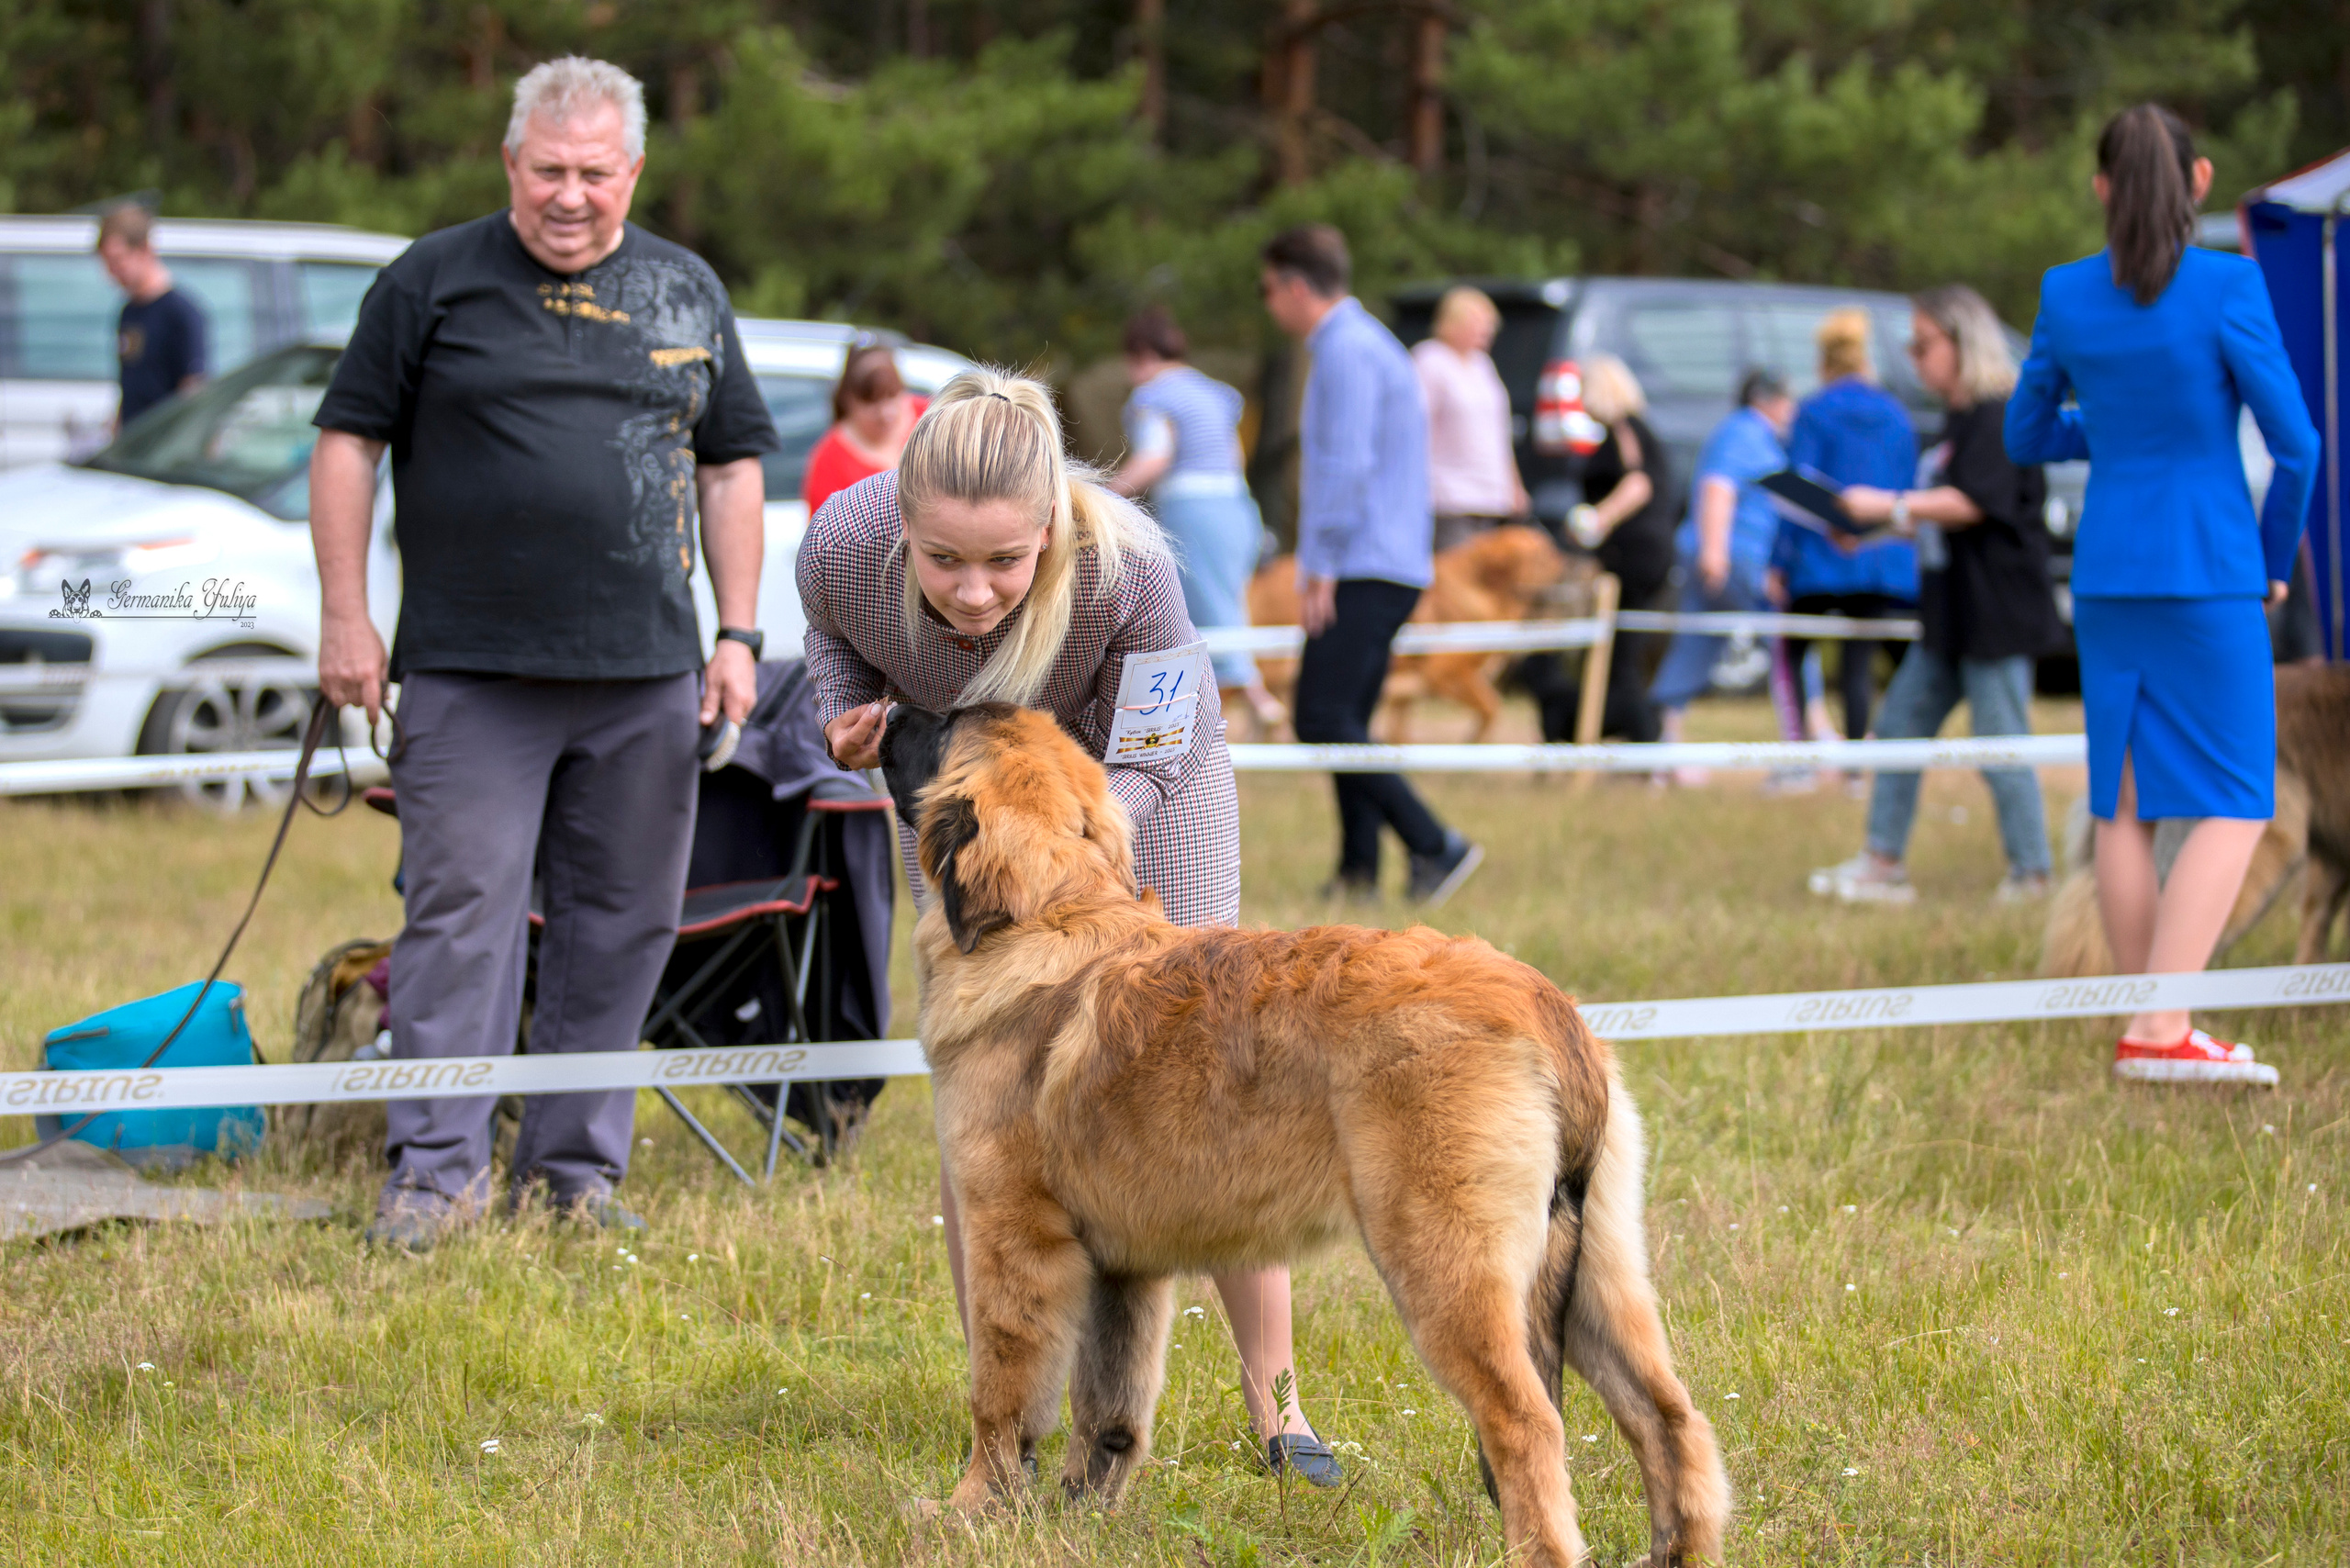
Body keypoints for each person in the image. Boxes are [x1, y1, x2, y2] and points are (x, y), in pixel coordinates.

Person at [801, 368, 1348, 1488]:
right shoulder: (837, 545)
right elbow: (835, 652)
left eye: (1005, 560)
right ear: (896, 520)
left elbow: (1154, 743)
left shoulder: (1129, 566)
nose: (972, 591)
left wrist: (1088, 859)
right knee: (990, 1119)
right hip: (981, 815)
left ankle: (1279, 1411)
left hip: (1138, 795)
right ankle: (1002, 1408)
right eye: (942, 559)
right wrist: (842, 723)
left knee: (1207, 1093)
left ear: (1050, 520)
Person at [309, 56, 778, 1246]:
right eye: (550, 171)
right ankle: (435, 1176)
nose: (571, 196)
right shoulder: (431, 279)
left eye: (596, 174)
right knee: (459, 919)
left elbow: (730, 467)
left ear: (632, 171)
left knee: (619, 925)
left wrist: (737, 634)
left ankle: (573, 1177)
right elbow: (348, 444)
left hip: (648, 675)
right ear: (511, 163)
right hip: (472, 673)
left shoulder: (687, 287)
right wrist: (345, 615)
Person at [2007, 103, 2320, 1081]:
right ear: (2197, 181)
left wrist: (2110, 429)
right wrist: (2272, 559)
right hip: (2210, 571)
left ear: (2102, 189)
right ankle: (2161, 1025)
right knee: (2236, 799)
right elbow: (2297, 447)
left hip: (2108, 575)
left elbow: (2027, 436)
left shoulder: (2065, 294)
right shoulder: (2229, 284)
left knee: (2123, 805)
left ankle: (2142, 1022)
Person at [1809, 286, 2062, 905]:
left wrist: (1884, 505)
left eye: (1923, 345)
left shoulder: (2000, 411)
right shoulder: (1958, 419)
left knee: (2001, 741)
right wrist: (1869, 533)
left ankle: (2033, 875)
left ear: (1961, 340)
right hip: (1951, 614)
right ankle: (1882, 862)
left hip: (1995, 615)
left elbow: (1976, 502)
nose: (1915, 359)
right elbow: (1944, 514)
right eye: (1911, 346)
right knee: (1899, 726)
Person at [1260, 224, 1483, 903]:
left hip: (1362, 563)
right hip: (1385, 560)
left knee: (1322, 717)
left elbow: (1344, 467)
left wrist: (1319, 565)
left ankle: (1435, 843)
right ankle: (1359, 870)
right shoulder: (1366, 344)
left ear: (1299, 286)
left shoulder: (1345, 352)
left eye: (1270, 290)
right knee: (1345, 718)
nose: (1268, 305)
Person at [1108, 305, 1285, 733]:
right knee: (1224, 608)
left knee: (1199, 615)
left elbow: (1155, 457)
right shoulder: (1215, 393)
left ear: (1141, 355)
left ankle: (1250, 706)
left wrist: (1101, 495)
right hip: (1238, 507)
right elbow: (1234, 458)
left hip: (1195, 511)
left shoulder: (1153, 396)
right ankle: (1243, 707)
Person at [1766, 308, 1919, 754]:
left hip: (1821, 558)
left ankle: (1796, 750)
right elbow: (1909, 489)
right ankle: (1857, 764)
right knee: (1860, 659)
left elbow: (1797, 491)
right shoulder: (1896, 414)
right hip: (1880, 559)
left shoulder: (1814, 411)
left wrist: (1779, 561)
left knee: (1793, 649)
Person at [1647, 370, 1797, 780]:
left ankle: (1662, 741)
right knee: (1788, 641)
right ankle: (1804, 746)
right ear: (1765, 399)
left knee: (1698, 641)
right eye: (1788, 400)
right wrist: (1715, 552)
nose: (1793, 410)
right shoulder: (1745, 433)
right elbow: (1718, 488)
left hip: (1714, 555)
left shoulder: (1750, 435)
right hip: (1733, 558)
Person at [1543, 352, 1677, 742]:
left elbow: (1638, 485)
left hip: (1633, 555)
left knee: (1619, 660)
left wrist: (1597, 519)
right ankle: (1624, 743)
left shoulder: (1625, 428)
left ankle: (1647, 748)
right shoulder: (1632, 429)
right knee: (1616, 657)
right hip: (1642, 553)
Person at [1412, 286, 1528, 554]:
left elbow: (1498, 432)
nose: (1486, 331)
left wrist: (1514, 484)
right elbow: (1416, 428)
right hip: (1448, 497)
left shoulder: (1483, 365)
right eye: (1478, 323)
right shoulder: (1430, 360)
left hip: (1489, 496)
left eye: (1489, 325)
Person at [96, 205, 207, 431]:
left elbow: (193, 390)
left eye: (118, 261)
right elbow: (131, 385)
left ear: (144, 249)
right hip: (133, 443)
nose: (112, 272)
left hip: (164, 447)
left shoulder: (181, 312)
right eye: (107, 264)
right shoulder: (128, 312)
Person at [803, 342, 926, 514]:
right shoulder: (828, 461)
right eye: (872, 402)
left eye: (892, 395)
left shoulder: (930, 417)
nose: (886, 413)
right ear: (848, 400)